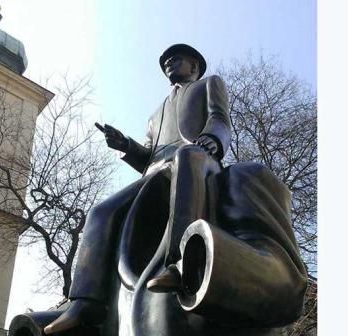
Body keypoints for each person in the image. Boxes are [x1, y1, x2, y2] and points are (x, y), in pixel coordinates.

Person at [44, 43, 231, 334]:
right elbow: (149, 155)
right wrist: (125, 145)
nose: (169, 63)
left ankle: (180, 263)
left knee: (185, 156)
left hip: (196, 160)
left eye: (176, 59)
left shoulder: (209, 84)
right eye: (166, 61)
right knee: (102, 211)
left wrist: (212, 139)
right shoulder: (155, 114)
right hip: (157, 172)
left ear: (194, 66)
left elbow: (220, 119)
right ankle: (84, 302)